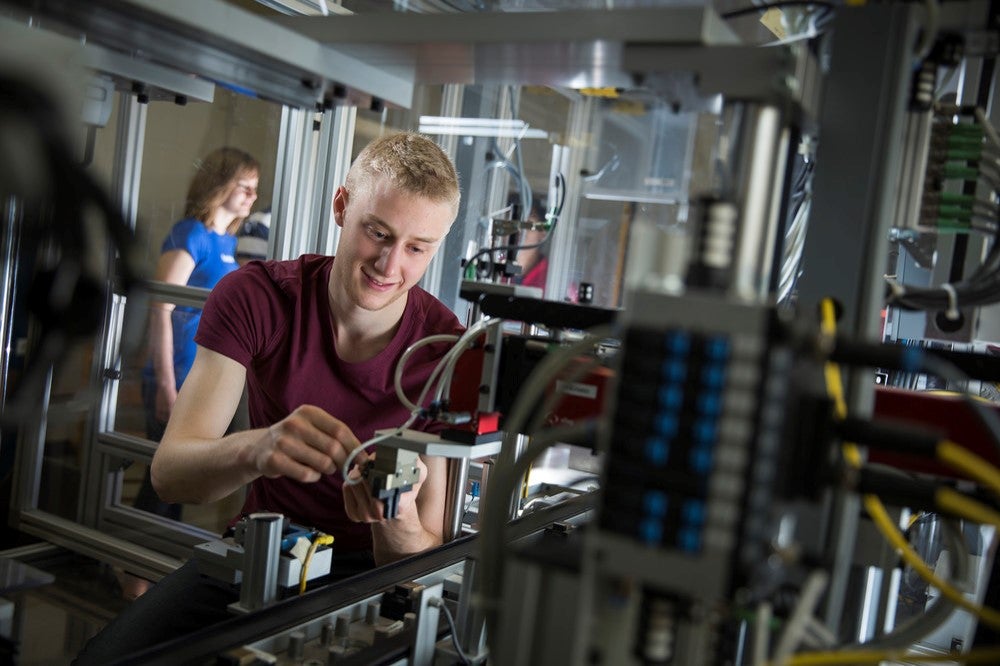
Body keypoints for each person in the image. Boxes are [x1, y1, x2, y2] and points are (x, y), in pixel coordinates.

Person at [74, 132, 463, 664]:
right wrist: (259, 449)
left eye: (417, 249)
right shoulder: (258, 297)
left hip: (372, 574)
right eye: (378, 233)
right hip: (265, 548)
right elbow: (171, 472)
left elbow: (426, 552)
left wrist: (392, 514)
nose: (389, 265)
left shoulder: (444, 346)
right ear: (342, 206)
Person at [122, 147, 259, 601]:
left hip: (201, 377)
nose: (252, 198)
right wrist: (164, 381)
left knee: (179, 481)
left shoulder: (226, 243)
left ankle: (149, 575)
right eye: (245, 187)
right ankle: (135, 578)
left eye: (255, 190)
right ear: (220, 186)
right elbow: (161, 307)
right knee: (163, 481)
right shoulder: (190, 235)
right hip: (174, 371)